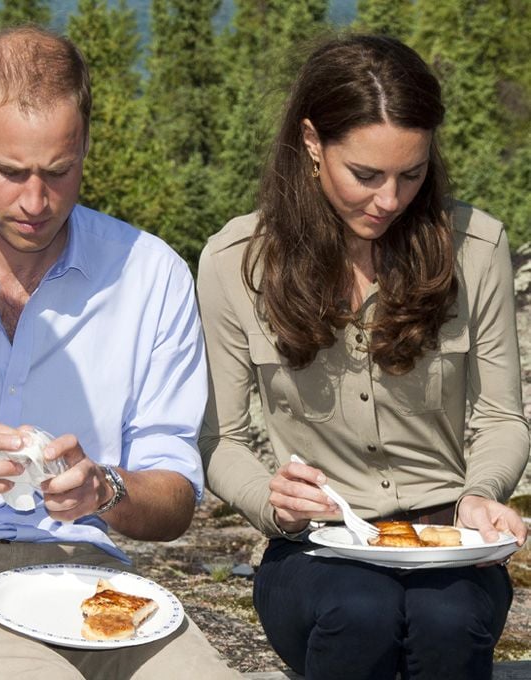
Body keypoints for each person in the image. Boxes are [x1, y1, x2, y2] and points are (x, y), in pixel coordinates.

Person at [0, 25, 242, 680]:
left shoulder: (151, 274)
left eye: (59, 170)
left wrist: (108, 489)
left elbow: (174, 498)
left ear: (85, 146)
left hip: (83, 570)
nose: (35, 201)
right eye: (9, 171)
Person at [197, 33, 529, 680]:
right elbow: (220, 440)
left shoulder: (478, 247)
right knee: (361, 610)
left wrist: (481, 495)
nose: (389, 200)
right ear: (313, 144)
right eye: (366, 175)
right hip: (314, 554)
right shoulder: (234, 262)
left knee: (447, 618)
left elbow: (502, 421)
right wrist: (271, 499)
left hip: (447, 547)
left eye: (413, 174)